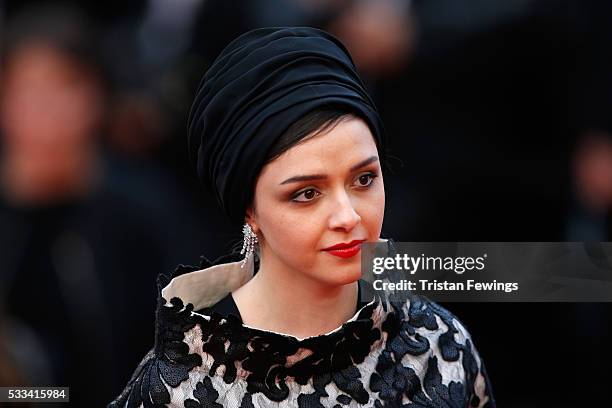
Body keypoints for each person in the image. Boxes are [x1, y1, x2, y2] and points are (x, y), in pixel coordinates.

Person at [109, 27, 495, 407]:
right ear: (250, 209)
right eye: (307, 194)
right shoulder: (178, 390)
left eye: (364, 179)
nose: (347, 216)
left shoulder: (437, 346)